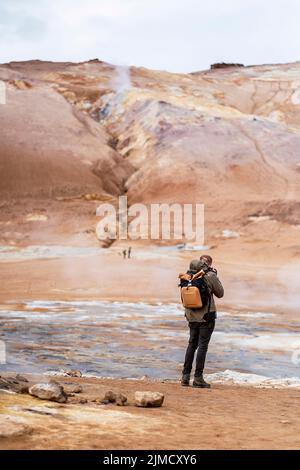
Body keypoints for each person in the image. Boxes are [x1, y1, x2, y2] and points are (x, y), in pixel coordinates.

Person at [181, 255, 224, 388]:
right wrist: (214, 276)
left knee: (191, 344)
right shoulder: (209, 275)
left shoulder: (186, 276)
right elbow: (220, 293)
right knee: (202, 346)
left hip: (191, 316)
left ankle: (185, 376)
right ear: (208, 264)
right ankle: (198, 378)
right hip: (206, 317)